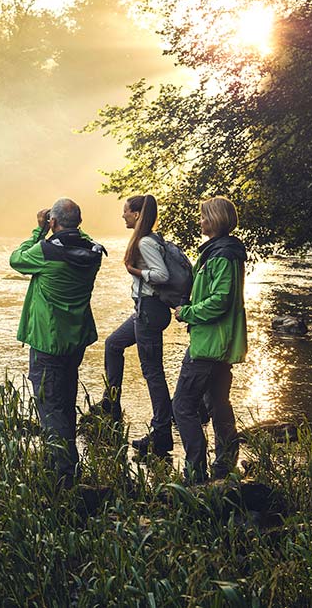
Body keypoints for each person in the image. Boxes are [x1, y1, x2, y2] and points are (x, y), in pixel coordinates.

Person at [8, 197, 104, 486]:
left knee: (50, 406)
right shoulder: (93, 252)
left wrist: (39, 230)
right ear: (79, 223)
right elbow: (81, 234)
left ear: (53, 222)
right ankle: (62, 464)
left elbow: (16, 259)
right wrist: (66, 227)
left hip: (48, 341)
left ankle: (63, 475)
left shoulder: (46, 251)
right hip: (75, 340)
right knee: (65, 400)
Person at [96, 194, 183, 457]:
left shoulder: (145, 242)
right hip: (144, 310)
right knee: (113, 344)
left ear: (136, 214)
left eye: (125, 211)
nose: (123, 215)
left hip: (149, 311)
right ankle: (111, 403)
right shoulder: (151, 239)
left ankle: (161, 434)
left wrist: (135, 271)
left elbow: (161, 275)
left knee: (152, 372)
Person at [173, 196, 248, 482]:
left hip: (209, 344)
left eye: (204, 217)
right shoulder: (219, 251)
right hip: (217, 342)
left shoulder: (223, 255)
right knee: (218, 403)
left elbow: (220, 300)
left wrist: (188, 312)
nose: (200, 221)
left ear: (215, 219)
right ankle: (224, 467)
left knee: (182, 405)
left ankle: (195, 471)